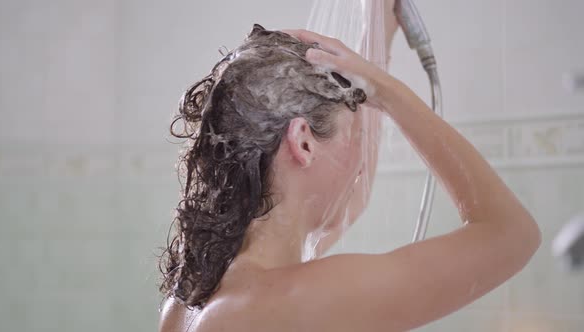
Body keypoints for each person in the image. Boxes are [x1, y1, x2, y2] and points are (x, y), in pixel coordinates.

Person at [158, 14, 541, 332]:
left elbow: (351, 199)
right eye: (356, 134)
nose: (360, 163)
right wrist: (387, 92)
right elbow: (512, 234)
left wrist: (378, 36)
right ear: (304, 143)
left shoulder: (191, 297)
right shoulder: (282, 302)